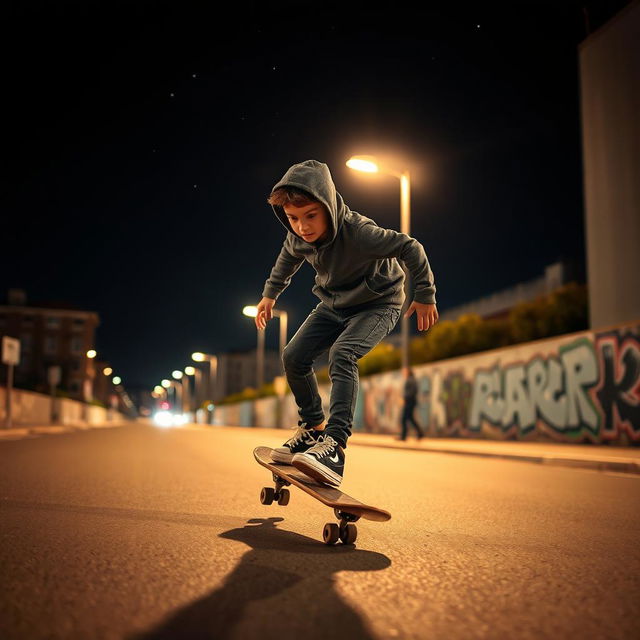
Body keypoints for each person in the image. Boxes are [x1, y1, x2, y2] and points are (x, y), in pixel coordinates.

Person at [255, 159, 438, 487]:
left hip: (378, 304)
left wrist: (424, 294)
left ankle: (335, 447)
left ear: (327, 205)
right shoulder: (297, 236)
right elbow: (287, 259)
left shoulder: (360, 233)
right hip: (333, 305)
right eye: (293, 219)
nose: (303, 227)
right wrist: (270, 295)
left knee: (343, 354)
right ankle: (313, 430)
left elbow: (410, 247)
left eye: (311, 215)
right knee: (293, 356)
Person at [400, 367, 424, 441]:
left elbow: (412, 391)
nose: (403, 373)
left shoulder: (410, 380)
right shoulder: (411, 380)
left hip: (409, 402)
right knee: (410, 418)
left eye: (404, 372)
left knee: (404, 419)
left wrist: (405, 399)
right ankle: (420, 433)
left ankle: (403, 437)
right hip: (411, 401)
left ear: (408, 372)